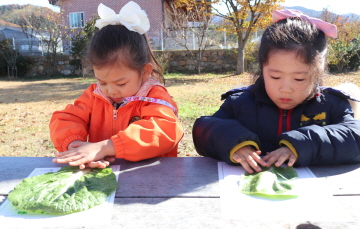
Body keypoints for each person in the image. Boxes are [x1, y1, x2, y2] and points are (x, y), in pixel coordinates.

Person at [192, 9, 360, 174]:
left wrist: (302, 144)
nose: (285, 89)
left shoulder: (332, 104)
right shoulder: (240, 102)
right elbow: (204, 128)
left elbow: (355, 135)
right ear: (262, 69)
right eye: (275, 77)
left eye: (299, 79)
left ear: (318, 72)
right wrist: (235, 143)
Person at [51, 2, 183, 169]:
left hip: (150, 177)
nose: (110, 90)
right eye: (102, 81)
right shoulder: (94, 95)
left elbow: (165, 130)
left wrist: (106, 147)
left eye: (121, 83)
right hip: (103, 176)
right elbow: (65, 119)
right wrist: (76, 146)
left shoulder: (154, 96)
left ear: (144, 72)